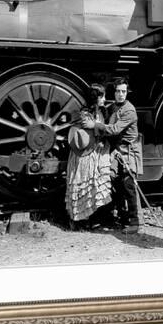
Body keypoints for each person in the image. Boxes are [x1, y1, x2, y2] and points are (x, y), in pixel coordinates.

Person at [82, 78, 144, 234]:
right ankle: (123, 219)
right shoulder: (113, 107)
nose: (121, 94)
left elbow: (115, 129)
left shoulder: (129, 110)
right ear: (114, 92)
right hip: (117, 151)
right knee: (116, 185)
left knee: (129, 186)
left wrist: (95, 125)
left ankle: (135, 222)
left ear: (127, 92)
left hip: (129, 152)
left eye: (123, 91)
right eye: (118, 91)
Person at [65, 84, 112, 227]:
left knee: (92, 185)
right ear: (95, 98)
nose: (104, 99)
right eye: (102, 96)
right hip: (86, 154)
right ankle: (80, 219)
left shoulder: (98, 112)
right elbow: (94, 131)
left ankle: (90, 217)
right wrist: (99, 128)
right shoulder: (86, 115)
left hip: (94, 152)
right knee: (83, 184)